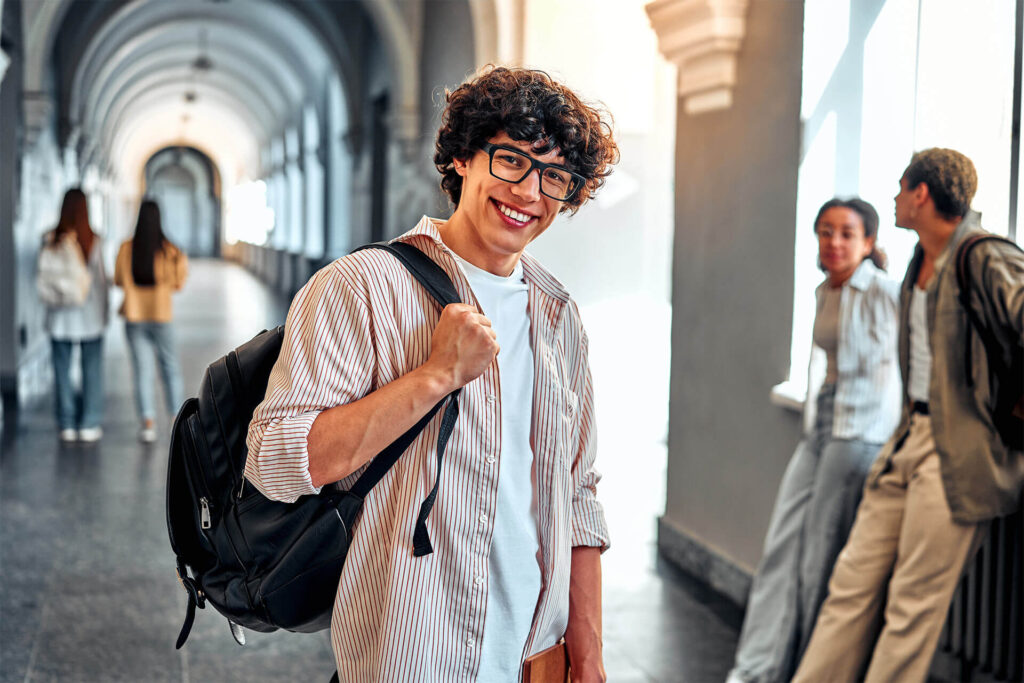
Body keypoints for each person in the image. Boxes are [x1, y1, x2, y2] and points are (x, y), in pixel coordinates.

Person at [244, 66, 618, 682]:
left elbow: (577, 493)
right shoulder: (362, 288)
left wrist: (591, 653)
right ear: (465, 160)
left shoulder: (557, 315)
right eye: (511, 160)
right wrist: (435, 376)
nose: (529, 192)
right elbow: (276, 459)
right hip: (417, 647)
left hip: (538, 656)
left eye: (555, 176)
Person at [794, 148, 1024, 682]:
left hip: (958, 452)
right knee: (849, 586)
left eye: (901, 188)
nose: (895, 199)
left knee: (911, 608)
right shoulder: (918, 263)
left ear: (922, 194)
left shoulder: (984, 257)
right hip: (907, 441)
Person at [725, 198, 901, 683]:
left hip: (859, 439)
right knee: (782, 550)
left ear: (869, 242)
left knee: (819, 565)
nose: (834, 242)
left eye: (847, 233)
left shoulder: (889, 293)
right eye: (826, 231)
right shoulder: (827, 289)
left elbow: (917, 367)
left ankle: (808, 670)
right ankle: (757, 670)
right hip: (820, 431)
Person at [114, 200, 188, 443]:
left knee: (142, 371)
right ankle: (175, 419)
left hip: (135, 317)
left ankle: (147, 423)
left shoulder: (126, 248)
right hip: (161, 316)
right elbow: (179, 283)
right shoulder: (170, 250)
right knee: (170, 367)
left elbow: (118, 279)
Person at [41, 188, 109, 443]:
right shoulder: (94, 240)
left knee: (61, 370)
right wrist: (104, 314)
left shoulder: (50, 238)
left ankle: (66, 423)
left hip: (59, 316)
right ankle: (89, 423)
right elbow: (101, 282)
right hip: (89, 316)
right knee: (91, 369)